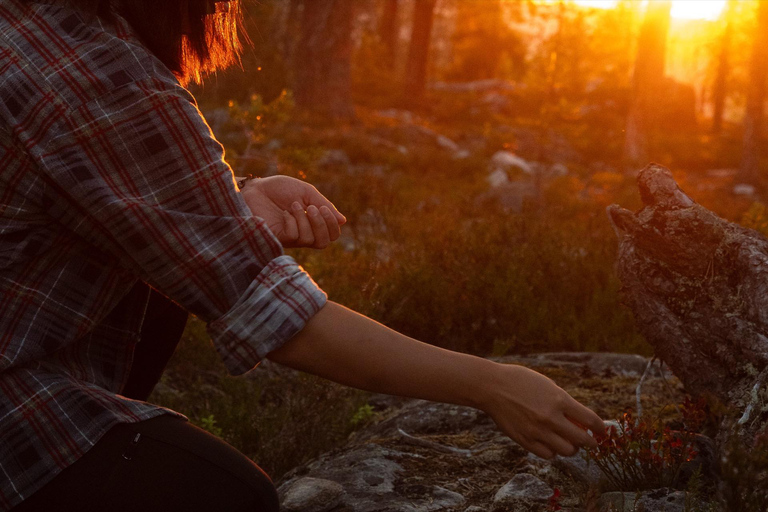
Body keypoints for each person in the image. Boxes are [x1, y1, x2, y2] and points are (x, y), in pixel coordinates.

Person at [0, 0, 605, 510]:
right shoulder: (101, 77)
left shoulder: (29, 27)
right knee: (228, 496)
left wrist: (234, 205)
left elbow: (83, 189)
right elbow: (288, 324)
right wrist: (493, 384)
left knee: (166, 283)